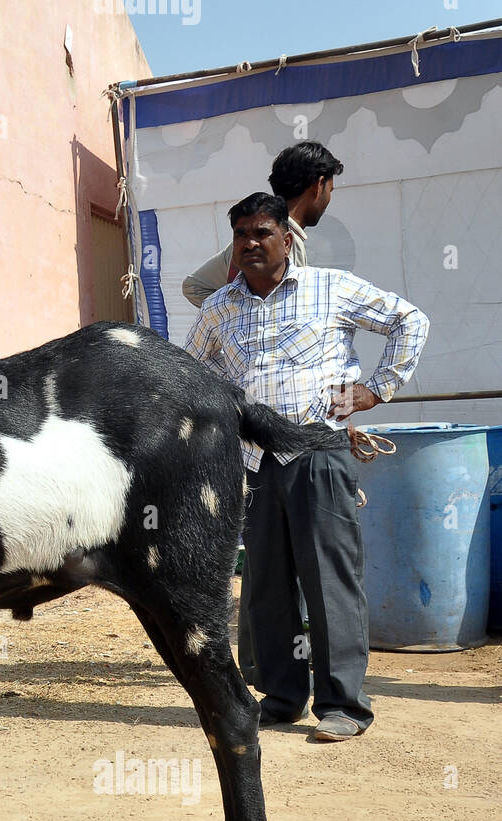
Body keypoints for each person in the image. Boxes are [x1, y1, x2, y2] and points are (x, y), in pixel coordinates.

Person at [184, 192, 428, 742]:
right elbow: (191, 377)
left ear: (287, 238)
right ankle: (282, 697)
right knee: (266, 585)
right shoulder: (219, 308)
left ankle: (344, 705)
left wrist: (374, 389)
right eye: (241, 233)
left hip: (318, 452)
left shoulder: (331, 287)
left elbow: (409, 320)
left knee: (330, 581)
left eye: (261, 232)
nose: (250, 243)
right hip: (254, 461)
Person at [183, 142, 345, 689]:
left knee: (283, 574)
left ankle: (312, 689)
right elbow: (203, 292)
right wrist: (231, 315)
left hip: (300, 439)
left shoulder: (286, 239)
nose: (251, 243)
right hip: (261, 442)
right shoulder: (277, 236)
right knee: (273, 575)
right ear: (318, 184)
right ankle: (270, 678)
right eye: (331, 189)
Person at [182, 141, 344, 308]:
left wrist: (232, 313)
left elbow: (193, 287)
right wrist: (236, 315)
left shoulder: (241, 243)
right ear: (318, 185)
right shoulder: (287, 239)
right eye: (330, 190)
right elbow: (289, 308)